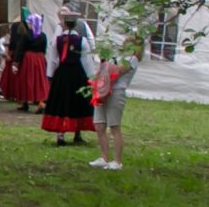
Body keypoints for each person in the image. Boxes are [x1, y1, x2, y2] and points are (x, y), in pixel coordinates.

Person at [43, 9, 97, 145]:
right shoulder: (82, 41)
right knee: (77, 101)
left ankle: (60, 134)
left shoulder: (57, 40)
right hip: (77, 74)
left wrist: (50, 75)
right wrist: (90, 77)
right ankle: (77, 133)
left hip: (62, 74)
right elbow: (86, 60)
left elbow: (53, 59)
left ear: (64, 24)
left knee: (62, 101)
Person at [89, 37, 138, 171]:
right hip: (103, 90)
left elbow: (117, 72)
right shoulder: (117, 57)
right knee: (99, 125)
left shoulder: (132, 60)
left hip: (116, 92)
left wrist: (105, 69)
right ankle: (104, 158)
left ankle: (117, 161)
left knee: (114, 126)